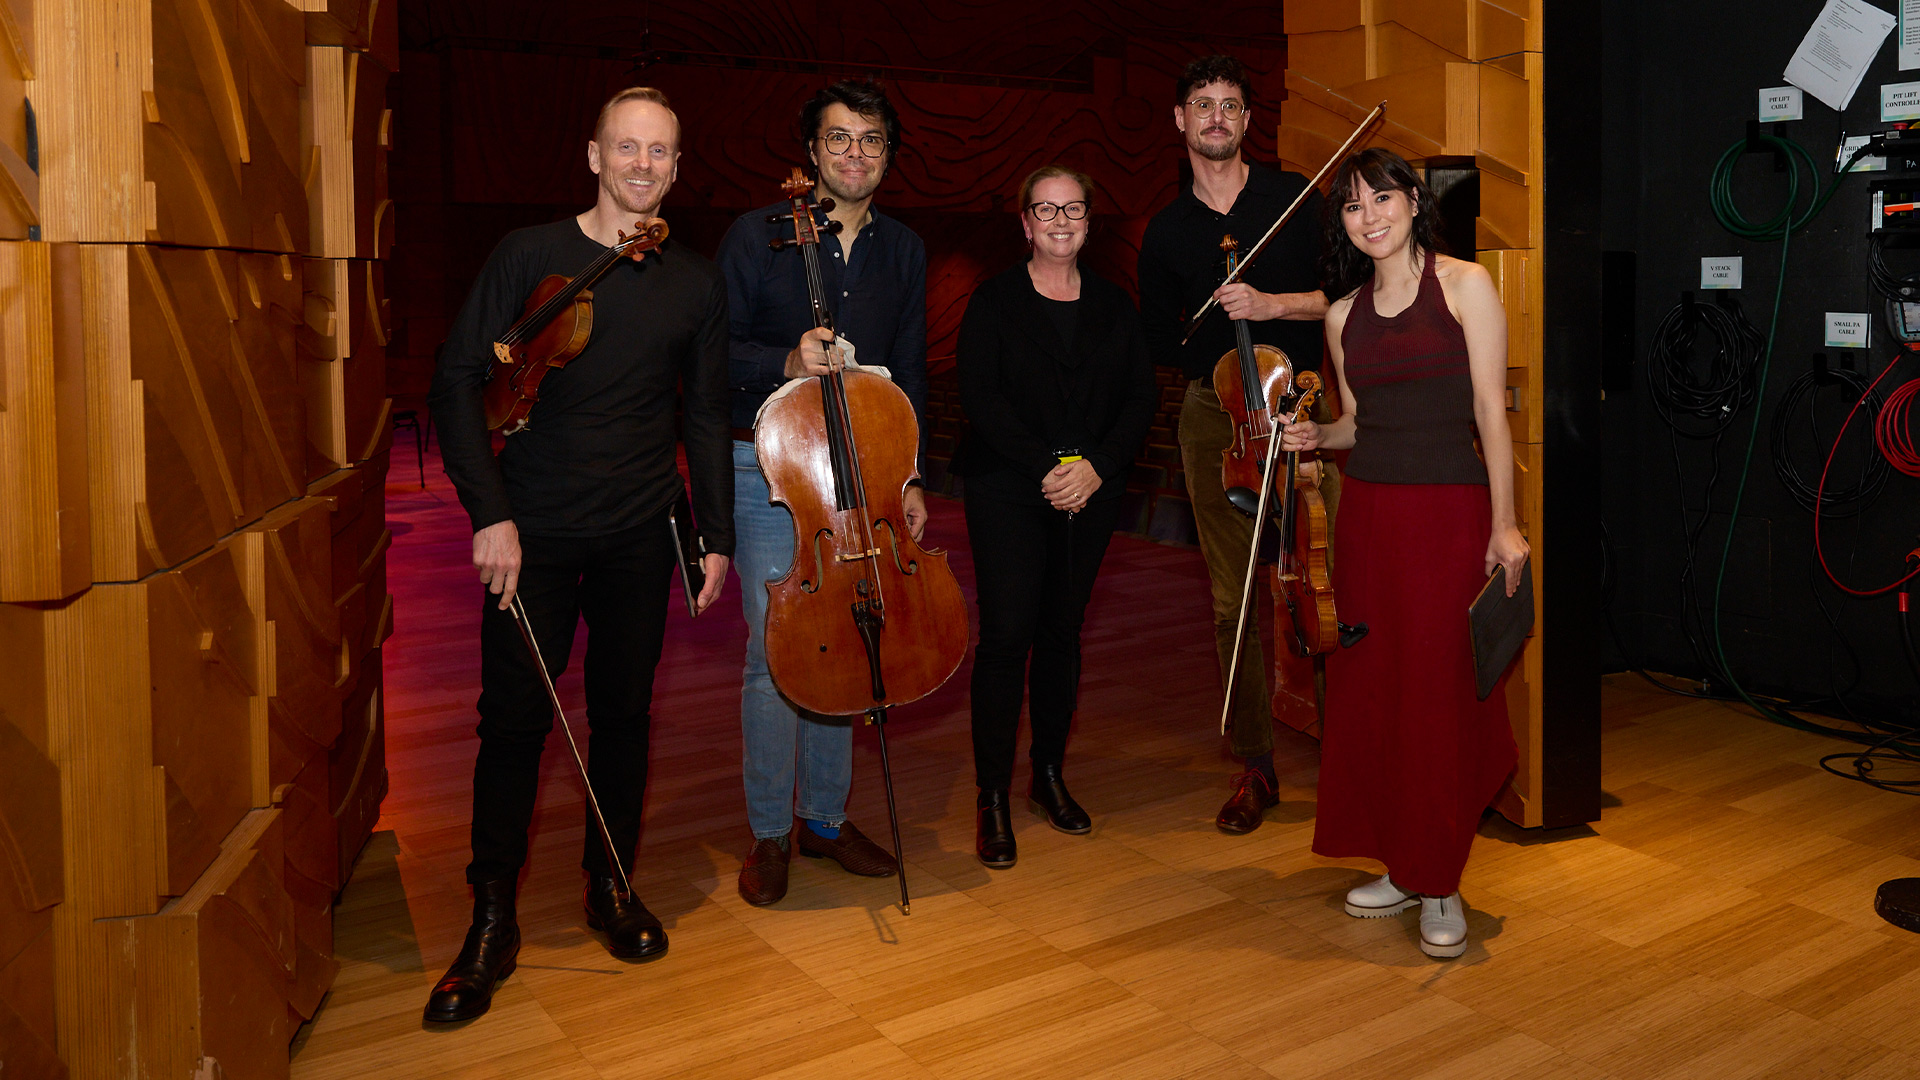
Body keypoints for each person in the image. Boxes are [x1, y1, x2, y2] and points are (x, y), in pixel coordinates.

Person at [423, 87, 733, 1022]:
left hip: (642, 534)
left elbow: (708, 414)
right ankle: (491, 919)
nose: (643, 164)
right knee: (513, 723)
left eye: (661, 152)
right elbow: (456, 379)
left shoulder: (696, 281)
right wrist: (490, 514)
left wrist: (711, 536)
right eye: (627, 147)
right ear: (593, 155)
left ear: (678, 168)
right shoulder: (531, 254)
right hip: (537, 537)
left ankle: (609, 887)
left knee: (626, 719)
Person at [1281, 147, 1526, 960]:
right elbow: (1362, 423)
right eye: (1352, 208)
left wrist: (1506, 525)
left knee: (1436, 698)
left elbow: (1492, 414)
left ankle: (1442, 877)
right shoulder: (1342, 313)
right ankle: (1402, 862)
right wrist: (1320, 433)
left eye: (1381, 198)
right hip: (1371, 526)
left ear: (1414, 202)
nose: (1370, 217)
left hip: (1449, 520)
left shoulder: (1466, 286)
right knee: (1376, 695)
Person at [716, 80, 930, 906]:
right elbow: (710, 357)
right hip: (772, 475)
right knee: (778, 654)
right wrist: (785, 361)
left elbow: (908, 371)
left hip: (865, 471)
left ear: (888, 155)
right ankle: (771, 830)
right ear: (811, 152)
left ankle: (827, 822)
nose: (855, 154)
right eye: (839, 140)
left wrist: (910, 478)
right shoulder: (754, 238)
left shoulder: (904, 250)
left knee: (853, 638)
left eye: (871, 141)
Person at [1137, 54, 1330, 834]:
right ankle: (1256, 763)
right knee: (1234, 598)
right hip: (1215, 418)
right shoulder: (1167, 231)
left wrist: (1270, 301)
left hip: (1301, 410)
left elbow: (1346, 294)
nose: (1216, 116)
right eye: (1201, 105)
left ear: (1249, 122)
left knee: (1330, 578)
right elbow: (1160, 339)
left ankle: (1361, 742)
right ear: (1180, 122)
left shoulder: (1293, 201)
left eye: (1230, 105)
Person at [954, 166, 1156, 868]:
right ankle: (991, 797)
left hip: (1091, 491)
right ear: (1026, 223)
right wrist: (1047, 468)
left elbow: (1139, 399)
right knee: (1009, 636)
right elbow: (981, 397)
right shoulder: (993, 301)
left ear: (1089, 221)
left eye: (1074, 208)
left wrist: (1094, 467)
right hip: (1010, 487)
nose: (1061, 220)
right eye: (1047, 209)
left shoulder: (1114, 305)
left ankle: (1046, 776)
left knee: (1062, 634)